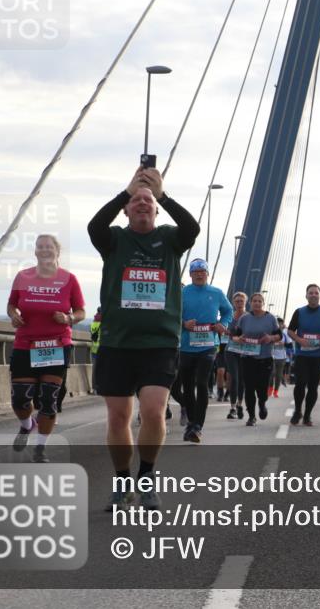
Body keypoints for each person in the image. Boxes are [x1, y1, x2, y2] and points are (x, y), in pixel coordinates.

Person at [88, 167, 199, 510]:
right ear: (125, 209)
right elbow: (94, 226)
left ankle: (147, 477)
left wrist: (162, 193)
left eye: (147, 201)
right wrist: (127, 190)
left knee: (153, 411)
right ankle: (122, 481)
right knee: (119, 417)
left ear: (156, 209)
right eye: (135, 200)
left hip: (159, 342)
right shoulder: (115, 240)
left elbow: (192, 228)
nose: (141, 204)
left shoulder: (169, 239)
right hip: (117, 343)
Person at [6, 235, 85, 462]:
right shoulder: (23, 276)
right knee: (20, 399)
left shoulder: (69, 279)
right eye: (40, 247)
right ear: (35, 251)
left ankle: (40, 448)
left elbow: (81, 312)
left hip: (56, 344)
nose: (44, 250)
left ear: (57, 251)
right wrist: (14, 316)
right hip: (25, 344)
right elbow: (11, 304)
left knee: (49, 399)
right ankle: (26, 424)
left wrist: (68, 317)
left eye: (49, 247)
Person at [177, 259, 233, 443]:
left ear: (207, 274)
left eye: (203, 271)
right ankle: (192, 423)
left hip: (208, 345)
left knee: (201, 383)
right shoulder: (183, 293)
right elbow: (171, 314)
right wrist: (184, 324)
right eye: (196, 271)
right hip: (186, 346)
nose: (199, 274)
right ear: (190, 274)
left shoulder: (216, 293)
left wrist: (223, 324)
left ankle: (197, 426)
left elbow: (228, 311)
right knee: (187, 386)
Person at [286, 284, 320, 425]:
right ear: (306, 295)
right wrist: (299, 340)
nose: (314, 295)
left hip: (319, 355)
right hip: (302, 354)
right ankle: (298, 411)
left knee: (313, 386)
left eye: (316, 293)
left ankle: (307, 415)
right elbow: (290, 331)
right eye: (311, 293)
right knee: (300, 383)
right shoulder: (299, 312)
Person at [235, 293, 281, 426]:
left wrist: (271, 338)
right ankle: (251, 417)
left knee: (262, 389)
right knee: (249, 388)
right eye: (254, 301)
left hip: (265, 358)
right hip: (247, 358)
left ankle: (262, 403)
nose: (257, 303)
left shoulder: (271, 318)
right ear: (250, 303)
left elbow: (279, 336)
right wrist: (239, 339)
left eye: (259, 301)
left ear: (263, 303)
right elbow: (235, 336)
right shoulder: (244, 318)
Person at [226, 291, 248, 420]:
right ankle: (233, 408)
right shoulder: (229, 316)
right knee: (234, 378)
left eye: (241, 301)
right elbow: (226, 331)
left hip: (245, 351)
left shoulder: (250, 317)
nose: (239, 303)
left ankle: (240, 405)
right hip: (231, 350)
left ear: (245, 302)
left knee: (242, 380)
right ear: (233, 303)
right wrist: (232, 336)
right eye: (237, 301)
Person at [269, 317, 288, 398]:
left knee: (278, 375)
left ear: (282, 325)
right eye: (277, 323)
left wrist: (284, 344)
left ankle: (276, 391)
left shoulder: (285, 334)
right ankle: (270, 389)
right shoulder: (271, 332)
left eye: (280, 323)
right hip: (271, 356)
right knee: (271, 374)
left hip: (281, 357)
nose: (279, 325)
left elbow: (290, 345)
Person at [89, 307, 102, 395]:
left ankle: (94, 389)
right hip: (103, 349)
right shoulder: (104, 322)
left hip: (94, 349)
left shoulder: (93, 323)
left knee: (95, 370)